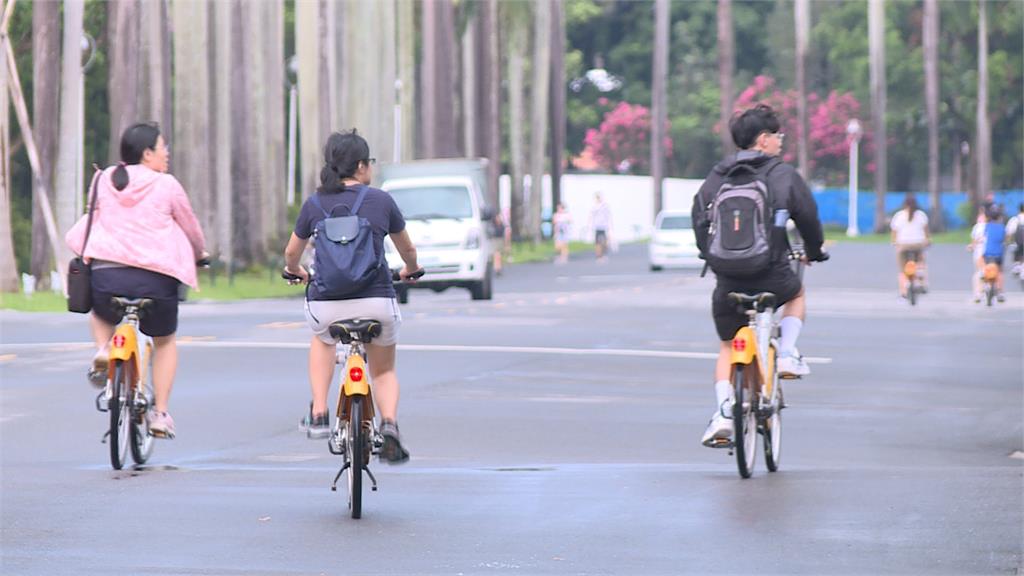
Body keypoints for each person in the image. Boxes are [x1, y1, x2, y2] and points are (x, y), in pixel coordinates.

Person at [283, 130, 421, 464]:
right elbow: (408, 249)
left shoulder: (314, 203)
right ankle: (389, 425)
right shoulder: (381, 201)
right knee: (384, 371)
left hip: (326, 303)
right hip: (377, 301)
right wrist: (411, 270)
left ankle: (318, 412)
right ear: (361, 166)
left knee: (322, 338)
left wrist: (296, 270)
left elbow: (291, 252)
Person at [691, 104, 825, 448]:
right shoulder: (783, 175)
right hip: (772, 274)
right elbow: (808, 217)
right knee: (796, 295)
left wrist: (711, 254)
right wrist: (814, 250)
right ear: (763, 140)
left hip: (728, 280)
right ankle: (789, 353)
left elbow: (699, 217)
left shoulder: (717, 175)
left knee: (727, 345)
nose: (781, 142)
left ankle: (723, 412)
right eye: (778, 136)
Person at [65, 122, 207, 439]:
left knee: (101, 313)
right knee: (165, 341)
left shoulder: (102, 179)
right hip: (156, 281)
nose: (166, 153)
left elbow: (92, 218)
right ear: (147, 154)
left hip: (106, 276)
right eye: (162, 147)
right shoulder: (167, 185)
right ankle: (160, 414)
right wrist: (199, 254)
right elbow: (190, 226)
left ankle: (104, 349)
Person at [889, 194, 931, 298]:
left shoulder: (899, 215)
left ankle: (903, 290)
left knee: (902, 269)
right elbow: (926, 232)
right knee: (920, 261)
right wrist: (928, 240)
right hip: (918, 244)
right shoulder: (921, 215)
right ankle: (921, 281)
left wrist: (894, 242)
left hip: (903, 245)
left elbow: (894, 232)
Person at [982, 206, 1007, 302]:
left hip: (988, 253)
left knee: (986, 267)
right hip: (998, 253)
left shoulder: (987, 226)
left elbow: (984, 237)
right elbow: (1004, 239)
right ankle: (1000, 291)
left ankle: (986, 285)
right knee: (999, 271)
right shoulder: (1001, 227)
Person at [968, 209, 988, 303]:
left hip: (979, 252)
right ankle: (985, 290)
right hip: (989, 252)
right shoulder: (992, 226)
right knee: (986, 271)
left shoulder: (977, 227)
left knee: (979, 272)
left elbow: (974, 241)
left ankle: (977, 294)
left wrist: (971, 247)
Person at [589, 193, 612, 261]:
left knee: (604, 242)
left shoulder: (605, 206)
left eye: (599, 198)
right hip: (597, 227)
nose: (598, 199)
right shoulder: (594, 207)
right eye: (597, 198)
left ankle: (603, 254)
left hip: (604, 227)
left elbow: (608, 216)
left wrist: (609, 225)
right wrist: (590, 225)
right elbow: (591, 216)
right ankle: (598, 256)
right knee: (597, 243)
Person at [1006, 203, 1024, 276]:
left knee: (1017, 254)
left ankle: (1017, 266)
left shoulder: (1015, 219)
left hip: (1018, 243)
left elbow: (1009, 232)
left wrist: (1007, 242)